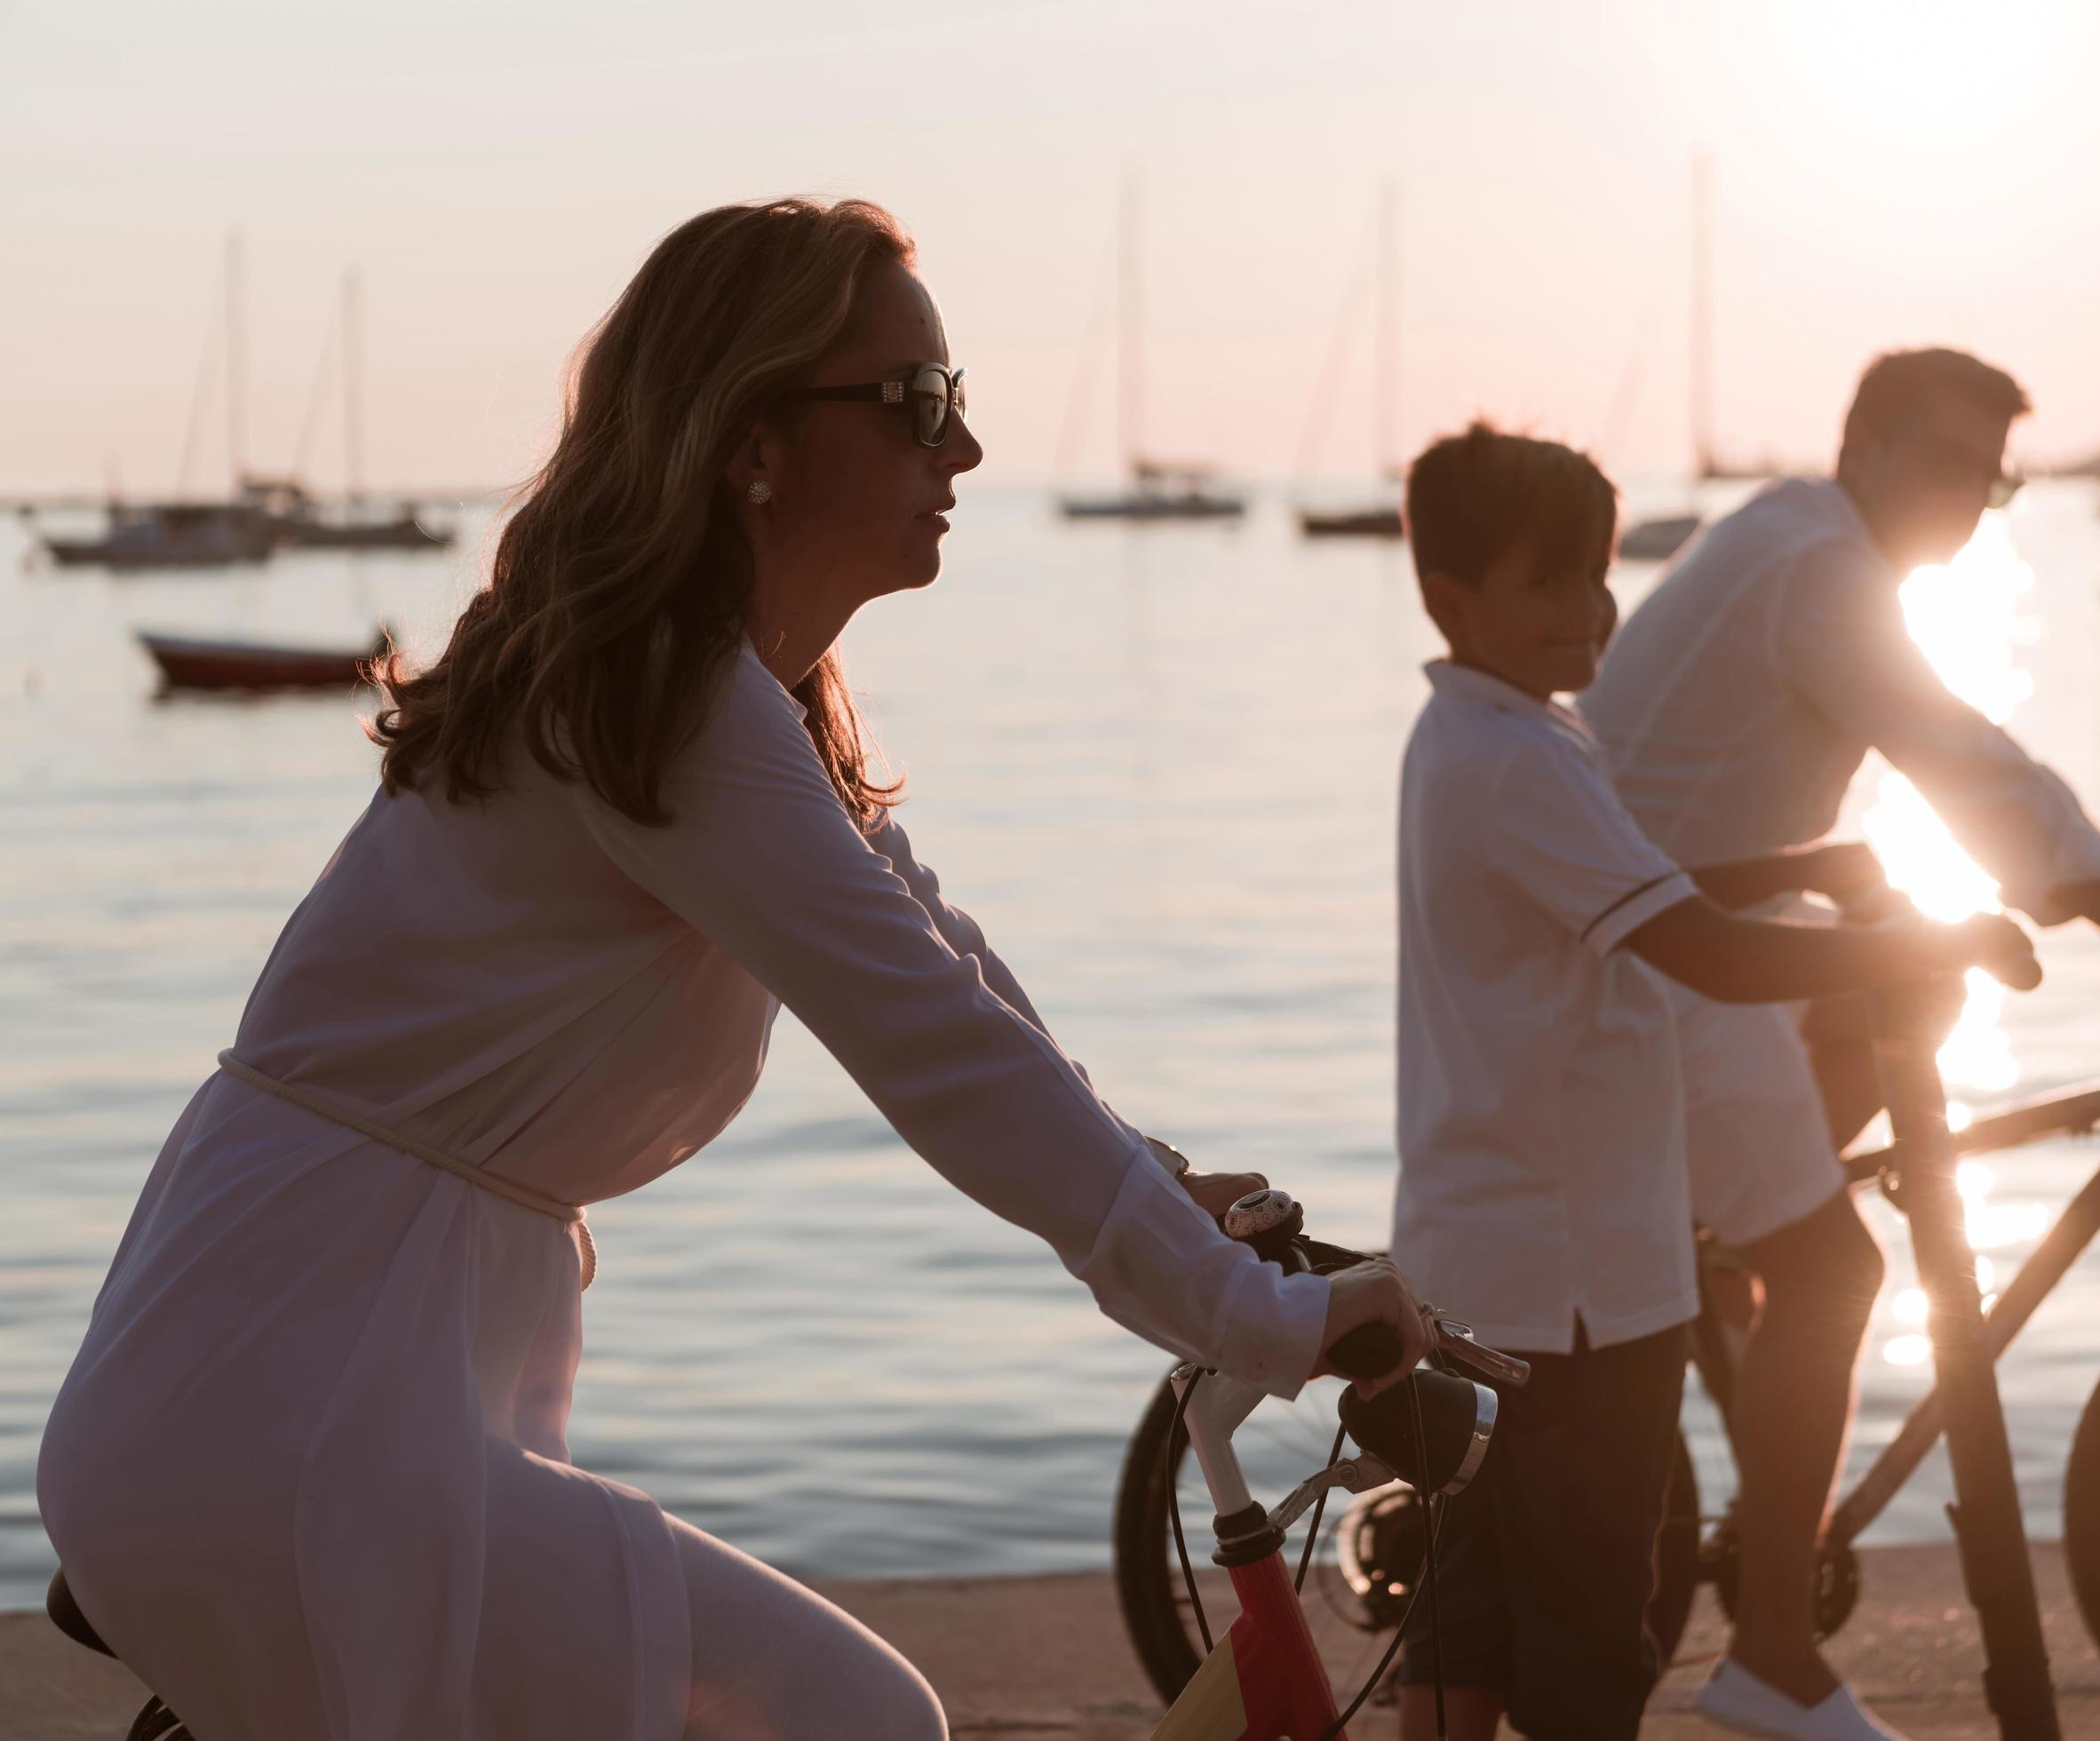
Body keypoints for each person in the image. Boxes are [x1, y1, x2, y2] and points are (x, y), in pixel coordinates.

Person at [36, 197, 1429, 1741]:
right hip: (299, 1386)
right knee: (853, 1718)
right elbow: (934, 1055)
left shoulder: (740, 696)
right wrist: (1252, 1319)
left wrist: (1159, 1189)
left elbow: (953, 981)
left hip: (347, 1352)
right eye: (919, 402)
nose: (962, 450)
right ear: (753, 438)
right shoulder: (668, 697)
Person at [1578, 347, 2100, 1741]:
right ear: (1874, 445)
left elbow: (1973, 761)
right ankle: (1773, 1651)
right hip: (1660, 975)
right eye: (1963, 468)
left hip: (1692, 941)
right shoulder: (1819, 573)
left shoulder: (1802, 541)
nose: (1982, 502)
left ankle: (1724, 1261)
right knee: (1840, 1272)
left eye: (1999, 478)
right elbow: (1965, 764)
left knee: (1915, 995)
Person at [1387, 423, 2040, 1741]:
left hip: (1477, 1265)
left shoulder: (1485, 738)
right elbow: (1708, 956)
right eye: (1551, 582)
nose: (1592, 608)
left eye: (1601, 572)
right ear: (1451, 599)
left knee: (1469, 1632)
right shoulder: (1519, 760)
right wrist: (1932, 935)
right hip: (1579, 1300)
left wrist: (1804, 861)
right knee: (1588, 1651)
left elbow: (1639, 889)